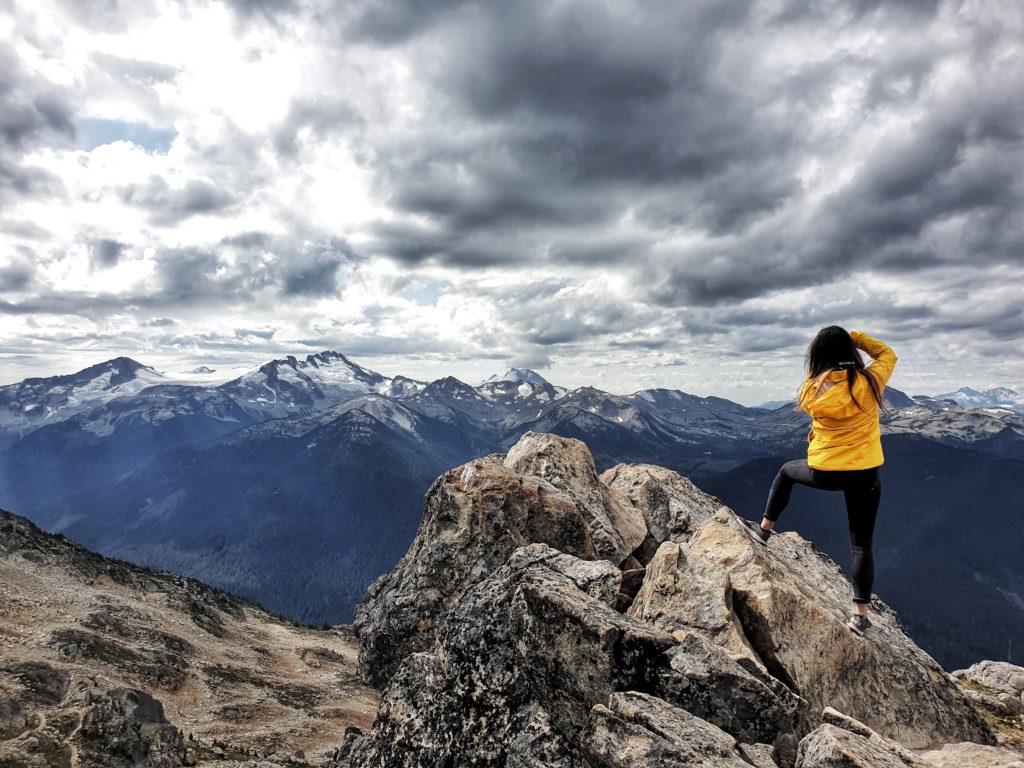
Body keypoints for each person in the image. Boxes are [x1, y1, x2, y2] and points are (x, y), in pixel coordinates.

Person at [749, 326, 897, 635]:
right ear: (849, 352)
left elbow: (809, 393)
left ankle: (764, 530)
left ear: (818, 356)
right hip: (865, 473)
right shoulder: (870, 381)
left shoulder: (812, 390)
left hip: (826, 471)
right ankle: (860, 615)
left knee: (787, 471)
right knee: (861, 545)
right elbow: (887, 354)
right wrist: (855, 337)